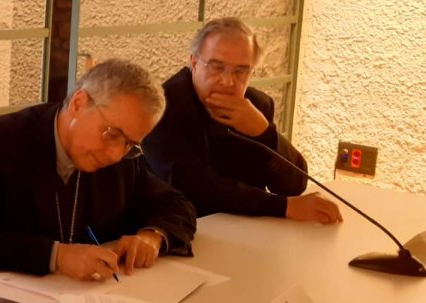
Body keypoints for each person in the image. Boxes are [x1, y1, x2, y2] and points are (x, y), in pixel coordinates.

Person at [0, 59, 197, 286]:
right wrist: (56, 255)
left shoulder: (124, 158)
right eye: (112, 135)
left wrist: (152, 235)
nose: (115, 154)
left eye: (130, 144)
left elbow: (176, 205)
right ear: (79, 103)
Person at [144, 18, 342, 224]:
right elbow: (194, 188)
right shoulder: (161, 107)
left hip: (247, 230)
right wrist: (284, 206)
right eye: (216, 67)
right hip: (178, 230)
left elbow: (294, 184)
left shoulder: (257, 105)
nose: (228, 81)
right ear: (194, 63)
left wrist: (264, 132)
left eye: (240, 71)